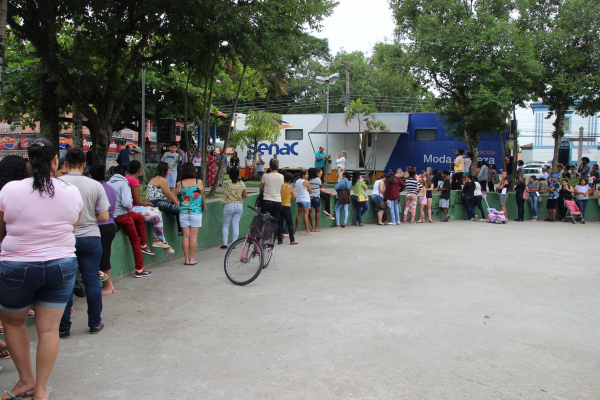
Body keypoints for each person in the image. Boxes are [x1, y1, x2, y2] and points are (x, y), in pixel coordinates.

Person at [0, 137, 83, 400]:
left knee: (13, 323)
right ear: (55, 160)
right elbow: (73, 225)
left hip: (16, 265)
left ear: (28, 160)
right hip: (61, 264)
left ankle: (25, 380)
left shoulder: (10, 190)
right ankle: (40, 390)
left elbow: (1, 230)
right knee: (48, 330)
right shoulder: (70, 190)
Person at [59, 149, 109, 340]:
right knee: (92, 282)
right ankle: (95, 323)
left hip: (65, 238)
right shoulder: (95, 185)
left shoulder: (57, 184)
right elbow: (104, 216)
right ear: (84, 164)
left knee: (65, 284)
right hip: (90, 237)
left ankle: (63, 328)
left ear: (65, 163)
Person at [108, 165, 154, 277]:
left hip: (110, 214)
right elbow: (127, 202)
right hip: (122, 215)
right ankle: (139, 269)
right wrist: (127, 208)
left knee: (139, 217)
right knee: (134, 240)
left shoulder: (108, 183)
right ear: (125, 174)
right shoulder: (124, 183)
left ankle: (143, 244)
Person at [127, 161, 174, 253]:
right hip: (131, 208)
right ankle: (161, 240)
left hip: (130, 206)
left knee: (156, 212)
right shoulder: (134, 181)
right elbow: (137, 202)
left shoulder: (126, 178)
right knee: (156, 215)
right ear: (139, 170)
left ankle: (158, 239)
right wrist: (147, 204)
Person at [89, 164, 118, 296]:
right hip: (110, 224)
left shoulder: (95, 189)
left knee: (103, 258)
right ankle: (108, 284)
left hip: (101, 225)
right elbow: (114, 208)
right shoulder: (111, 189)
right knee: (104, 256)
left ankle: (107, 285)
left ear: (90, 176)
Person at [176, 162, 204, 265]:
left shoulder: (180, 183)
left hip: (183, 212)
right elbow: (202, 195)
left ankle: (186, 259)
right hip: (196, 212)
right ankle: (192, 259)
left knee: (185, 237)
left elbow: (179, 196)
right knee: (193, 237)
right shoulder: (198, 182)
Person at [147, 161, 182, 236]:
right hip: (157, 202)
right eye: (168, 169)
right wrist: (177, 203)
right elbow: (169, 194)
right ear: (166, 170)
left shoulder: (154, 178)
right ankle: (180, 230)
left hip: (154, 202)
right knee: (178, 209)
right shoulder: (162, 180)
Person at [221, 167, 247, 249]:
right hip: (239, 205)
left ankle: (225, 244)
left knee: (226, 225)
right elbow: (245, 195)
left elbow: (226, 192)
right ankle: (234, 244)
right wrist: (238, 197)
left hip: (229, 205)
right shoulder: (241, 183)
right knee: (235, 226)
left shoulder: (226, 183)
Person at [259, 158, 284, 225]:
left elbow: (261, 187)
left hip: (267, 201)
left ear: (270, 166)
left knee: (263, 222)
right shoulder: (281, 176)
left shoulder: (265, 176)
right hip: (278, 202)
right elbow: (281, 190)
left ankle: (264, 235)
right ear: (277, 167)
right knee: (275, 224)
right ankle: (274, 235)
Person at [278, 173, 298, 245]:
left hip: (279, 205)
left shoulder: (280, 186)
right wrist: (288, 198)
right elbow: (293, 196)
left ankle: (279, 240)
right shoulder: (290, 187)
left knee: (280, 223)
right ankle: (292, 240)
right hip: (286, 206)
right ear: (290, 180)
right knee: (290, 223)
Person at [294, 169, 313, 235]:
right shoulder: (306, 182)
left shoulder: (297, 181)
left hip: (299, 199)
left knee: (299, 214)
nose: (308, 175)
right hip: (305, 199)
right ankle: (307, 231)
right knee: (305, 215)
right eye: (307, 174)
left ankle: (296, 230)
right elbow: (310, 192)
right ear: (303, 175)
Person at [307, 168, 322, 232]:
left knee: (311, 212)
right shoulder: (317, 179)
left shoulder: (307, 180)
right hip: (316, 197)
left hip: (309, 197)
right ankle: (316, 227)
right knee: (318, 212)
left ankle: (312, 227)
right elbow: (321, 186)